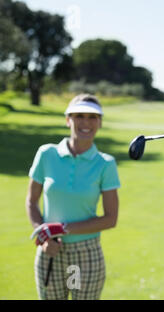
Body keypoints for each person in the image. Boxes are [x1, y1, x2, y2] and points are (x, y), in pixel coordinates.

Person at [26, 94, 120, 300]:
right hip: (49, 249)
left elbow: (110, 218)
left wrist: (61, 228)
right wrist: (43, 236)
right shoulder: (46, 154)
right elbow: (32, 201)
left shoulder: (105, 163)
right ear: (68, 119)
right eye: (79, 116)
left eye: (92, 117)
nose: (86, 123)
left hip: (86, 253)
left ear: (100, 122)